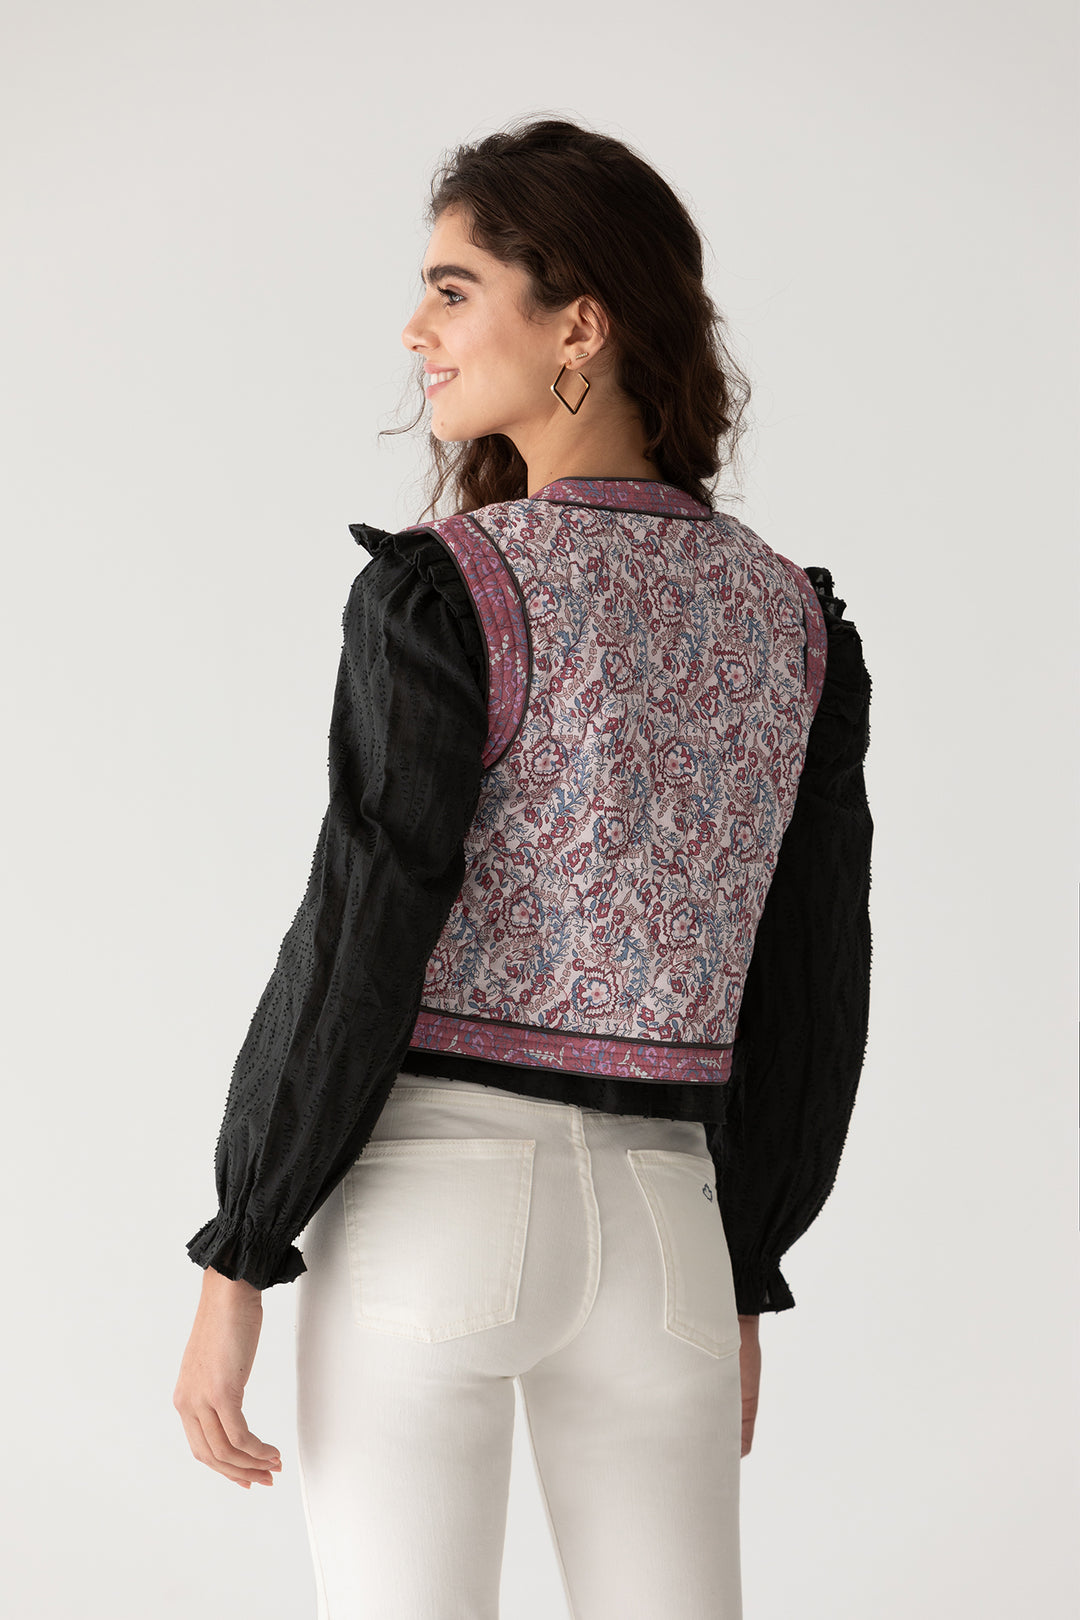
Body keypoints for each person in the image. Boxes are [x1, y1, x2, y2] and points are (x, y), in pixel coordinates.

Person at [174, 116, 873, 1620]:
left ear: (579, 325)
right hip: (671, 1238)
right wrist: (746, 1262)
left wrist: (242, 1248)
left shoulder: (453, 590)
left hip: (434, 1217)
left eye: (452, 288)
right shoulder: (794, 622)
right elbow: (815, 976)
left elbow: (364, 923)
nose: (413, 330)